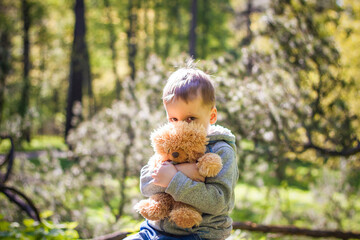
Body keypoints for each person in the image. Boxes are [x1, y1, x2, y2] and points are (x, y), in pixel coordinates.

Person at [126, 61, 239, 240]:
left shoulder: (221, 151)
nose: (180, 127)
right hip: (155, 229)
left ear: (212, 116)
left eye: (190, 118)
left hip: (198, 233)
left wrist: (174, 179)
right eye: (173, 119)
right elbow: (146, 185)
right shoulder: (170, 143)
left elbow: (218, 202)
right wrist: (175, 173)